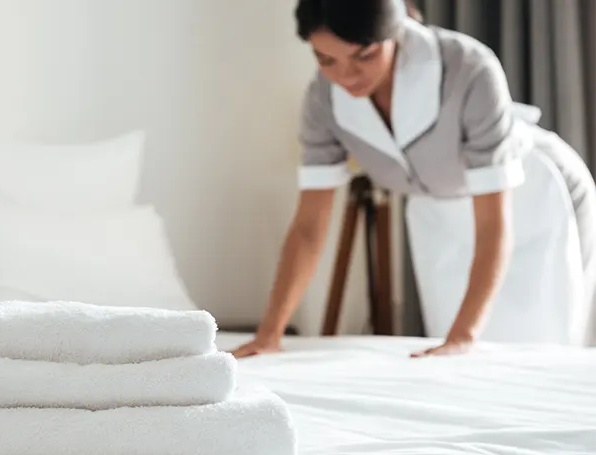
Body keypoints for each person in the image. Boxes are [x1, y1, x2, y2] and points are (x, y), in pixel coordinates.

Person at [232, 0, 596, 358]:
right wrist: (270, 334)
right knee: (451, 344)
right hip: (437, 205)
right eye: (326, 60)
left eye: (364, 56)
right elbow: (309, 225)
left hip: (530, 195)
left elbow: (492, 223)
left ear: (396, 33)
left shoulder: (468, 69)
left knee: (538, 335)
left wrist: (463, 336)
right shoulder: (322, 100)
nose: (346, 75)